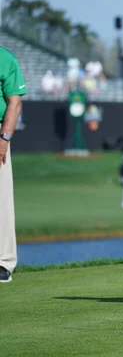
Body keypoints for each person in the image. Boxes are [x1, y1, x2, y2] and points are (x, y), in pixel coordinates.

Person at [0, 47, 27, 283]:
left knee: (1, 200)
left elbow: (14, 102)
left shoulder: (5, 57)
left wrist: (4, 137)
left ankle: (3, 263)